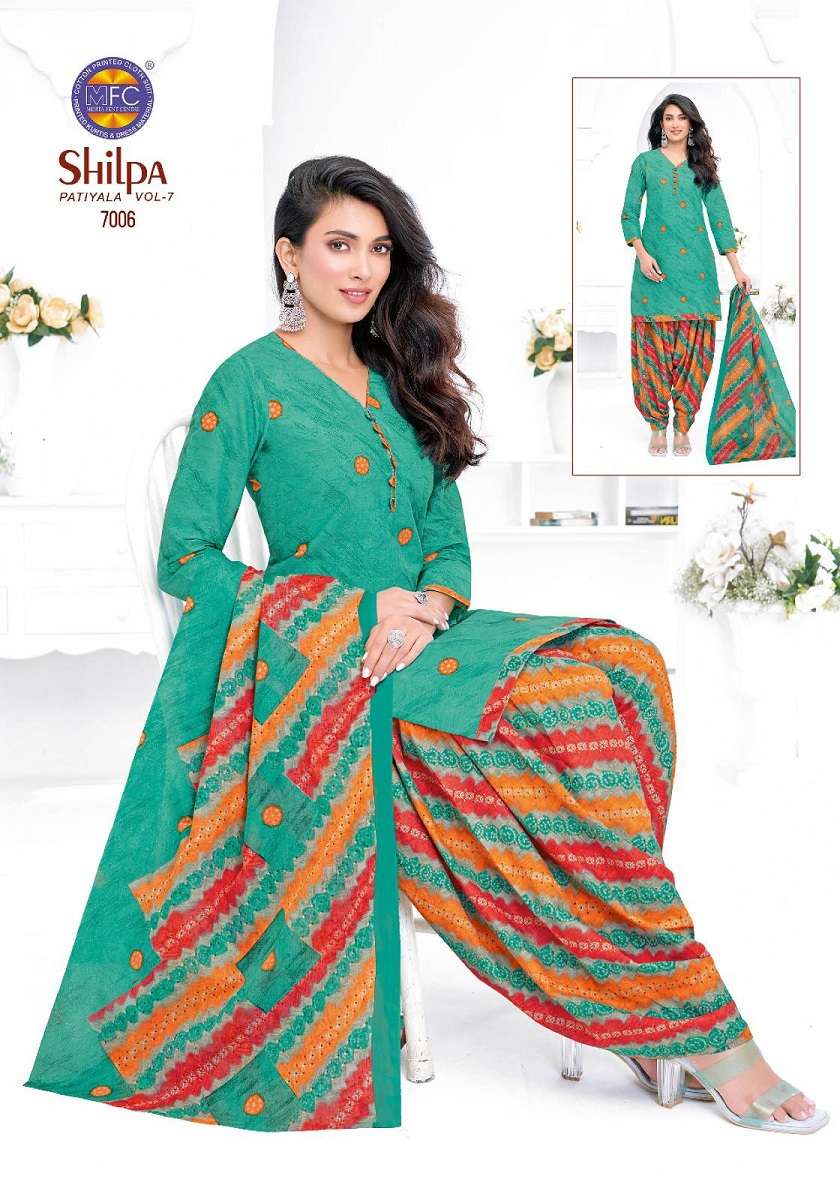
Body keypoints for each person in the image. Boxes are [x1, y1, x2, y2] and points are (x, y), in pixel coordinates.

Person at [24, 155, 826, 1135]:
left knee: (628, 668)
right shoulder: (248, 381)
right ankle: (695, 1025)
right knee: (563, 709)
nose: (363, 268)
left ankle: (624, 984)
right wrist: (355, 615)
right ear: (289, 255)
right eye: (339, 245)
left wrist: (426, 610)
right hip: (332, 665)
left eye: (378, 248)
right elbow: (185, 559)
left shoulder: (401, 372)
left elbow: (446, 544)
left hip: (433, 636)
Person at [621, 94, 752, 457]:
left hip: (696, 273)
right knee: (653, 354)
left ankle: (682, 426)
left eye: (681, 117)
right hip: (655, 271)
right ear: (660, 124)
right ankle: (656, 425)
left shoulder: (702, 167)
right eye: (668, 118)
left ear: (691, 123)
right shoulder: (645, 163)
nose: (675, 123)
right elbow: (629, 213)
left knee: (695, 354)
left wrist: (737, 268)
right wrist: (641, 253)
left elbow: (720, 218)